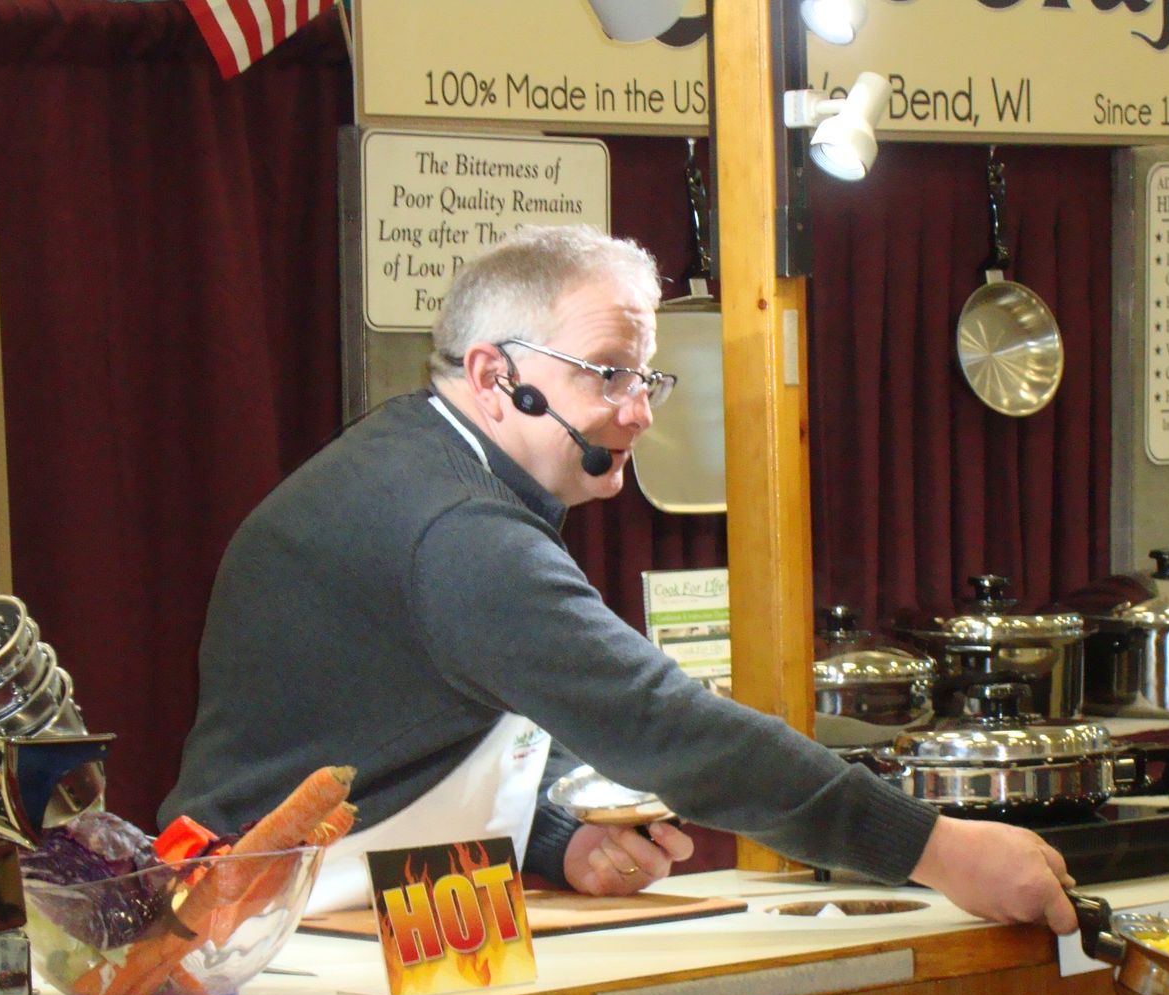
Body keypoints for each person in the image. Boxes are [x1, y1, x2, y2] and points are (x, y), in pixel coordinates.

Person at [161, 224, 1076, 932]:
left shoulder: (434, 469)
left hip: (336, 917)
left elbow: (416, 722)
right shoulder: (456, 530)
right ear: (494, 376)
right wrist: (938, 849)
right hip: (257, 936)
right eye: (607, 376)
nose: (637, 414)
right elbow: (662, 725)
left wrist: (562, 840)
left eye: (645, 379)